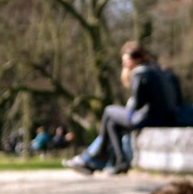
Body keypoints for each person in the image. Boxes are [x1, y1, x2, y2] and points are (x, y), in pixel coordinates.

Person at [64, 42, 180, 176]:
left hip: (148, 118)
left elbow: (138, 103)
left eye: (126, 60)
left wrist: (130, 108)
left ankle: (98, 156)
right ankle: (118, 162)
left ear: (137, 59)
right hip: (165, 117)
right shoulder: (158, 70)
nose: (124, 64)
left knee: (108, 111)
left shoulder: (139, 73)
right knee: (111, 123)